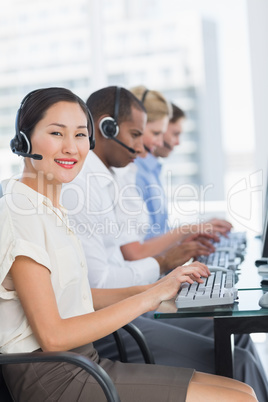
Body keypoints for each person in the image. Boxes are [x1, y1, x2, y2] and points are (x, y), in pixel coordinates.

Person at [0, 87, 258, 402]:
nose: (71, 147)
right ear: (23, 139)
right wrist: (149, 298)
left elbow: (79, 297)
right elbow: (53, 336)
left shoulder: (50, 207)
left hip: (84, 361)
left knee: (241, 390)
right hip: (55, 377)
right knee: (239, 398)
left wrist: (160, 290)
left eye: (81, 135)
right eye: (56, 133)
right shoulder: (20, 212)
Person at [131, 86, 232, 243]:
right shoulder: (135, 172)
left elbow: (159, 234)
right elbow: (143, 244)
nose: (177, 142)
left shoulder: (153, 171)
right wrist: (192, 230)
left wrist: (196, 231)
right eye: (175, 133)